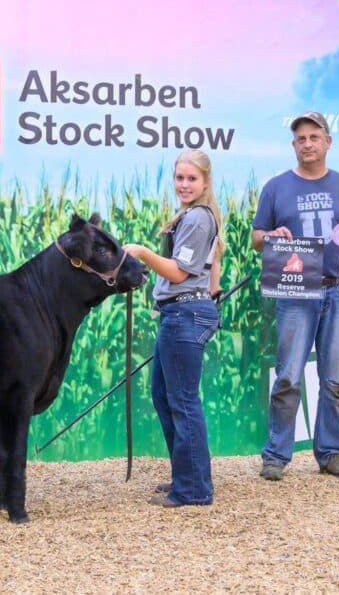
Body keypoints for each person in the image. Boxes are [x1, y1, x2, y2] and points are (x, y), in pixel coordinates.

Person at [251, 111, 339, 481]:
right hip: (295, 292)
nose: (307, 144)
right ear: (294, 146)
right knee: (288, 375)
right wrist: (272, 236)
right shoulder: (276, 188)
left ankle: (332, 453)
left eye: (314, 137)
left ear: (328, 142)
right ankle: (276, 455)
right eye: (301, 139)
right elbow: (258, 238)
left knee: (334, 377)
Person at [123, 149, 225, 507]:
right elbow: (211, 270)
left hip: (184, 314)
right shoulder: (196, 216)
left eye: (191, 179)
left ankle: (195, 489)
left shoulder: (197, 218)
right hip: (181, 312)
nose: (184, 184)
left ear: (205, 182)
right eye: (180, 178)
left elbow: (179, 273)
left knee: (182, 401)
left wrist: (141, 253)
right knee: (167, 398)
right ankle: (186, 476)